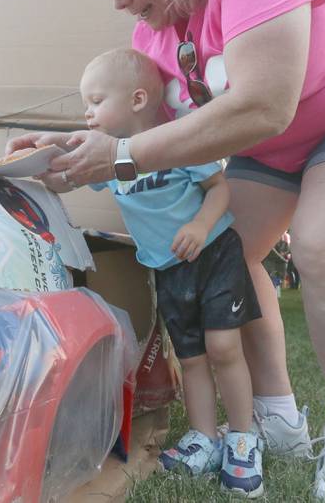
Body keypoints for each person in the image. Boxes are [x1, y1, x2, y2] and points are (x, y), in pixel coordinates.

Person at [5, 0, 325, 500]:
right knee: (226, 252)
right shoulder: (155, 34)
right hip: (274, 140)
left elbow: (265, 104)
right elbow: (146, 128)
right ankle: (277, 412)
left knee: (324, 242)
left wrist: (117, 156)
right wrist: (68, 147)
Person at [73, 48, 264, 495]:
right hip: (168, 269)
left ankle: (242, 438)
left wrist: (199, 225)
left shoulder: (176, 141)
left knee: (223, 347)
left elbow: (218, 188)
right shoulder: (112, 162)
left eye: (96, 101)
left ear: (138, 99)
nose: (88, 112)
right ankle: (204, 437)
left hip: (213, 254)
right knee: (192, 357)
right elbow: (72, 171)